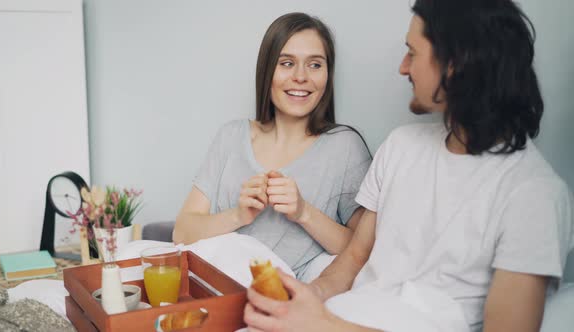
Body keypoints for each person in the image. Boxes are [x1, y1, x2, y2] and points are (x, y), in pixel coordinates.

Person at [244, 0, 574, 331]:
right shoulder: (401, 146)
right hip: (348, 312)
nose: (403, 67)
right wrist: (306, 299)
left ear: (455, 64)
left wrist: (320, 325)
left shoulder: (535, 195)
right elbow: (355, 257)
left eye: (412, 54)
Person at [173, 13, 372, 279]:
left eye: (315, 65)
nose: (301, 77)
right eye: (287, 63)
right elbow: (182, 232)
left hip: (281, 300)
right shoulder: (231, 136)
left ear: (328, 74)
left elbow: (365, 250)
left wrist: (304, 213)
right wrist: (239, 215)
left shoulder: (345, 146)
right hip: (217, 290)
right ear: (268, 71)